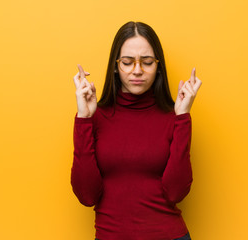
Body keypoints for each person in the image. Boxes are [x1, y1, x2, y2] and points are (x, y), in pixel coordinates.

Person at [71, 21, 202, 240]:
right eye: (128, 62)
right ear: (115, 65)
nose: (138, 70)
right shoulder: (95, 116)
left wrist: (182, 117)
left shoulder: (173, 116)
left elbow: (176, 192)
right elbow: (87, 195)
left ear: (157, 66)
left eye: (147, 62)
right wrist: (84, 118)